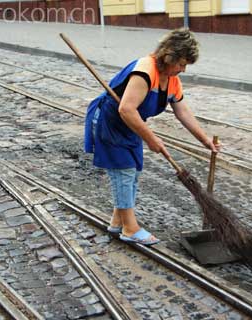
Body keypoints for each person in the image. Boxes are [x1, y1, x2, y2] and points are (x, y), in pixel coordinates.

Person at [84, 28, 221, 245]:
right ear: (170, 57)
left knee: (134, 172)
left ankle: (117, 221)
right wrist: (151, 139)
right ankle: (130, 228)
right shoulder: (145, 71)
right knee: (124, 172)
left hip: (130, 125)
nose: (183, 69)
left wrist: (204, 140)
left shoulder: (172, 78)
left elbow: (182, 111)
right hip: (110, 123)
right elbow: (126, 109)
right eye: (182, 64)